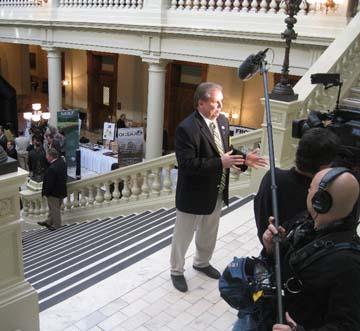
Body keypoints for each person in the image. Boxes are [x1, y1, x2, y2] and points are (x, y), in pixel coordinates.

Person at [170, 82, 267, 292]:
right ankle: (176, 270)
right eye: (216, 103)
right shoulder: (186, 129)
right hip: (192, 195)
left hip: (217, 190)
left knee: (209, 231)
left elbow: (225, 150)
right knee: (183, 236)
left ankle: (202, 262)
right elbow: (187, 166)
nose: (220, 107)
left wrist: (244, 159)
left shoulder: (222, 121)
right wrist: (219, 163)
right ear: (201, 103)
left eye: (221, 102)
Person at [262, 168, 360, 331]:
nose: (308, 190)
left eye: (311, 187)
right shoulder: (305, 222)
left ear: (320, 202)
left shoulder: (350, 264)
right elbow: (294, 266)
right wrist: (272, 248)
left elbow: (348, 325)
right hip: (275, 312)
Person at [254, 128, 339, 245]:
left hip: (269, 247)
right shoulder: (323, 196)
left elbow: (261, 219)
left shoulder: (272, 177)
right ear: (324, 167)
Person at [38, 148, 67, 230]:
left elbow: (50, 184)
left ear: (51, 156)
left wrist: (45, 192)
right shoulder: (62, 163)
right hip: (61, 190)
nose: (46, 157)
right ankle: (48, 221)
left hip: (53, 193)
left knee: (55, 209)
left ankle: (57, 225)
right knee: (53, 208)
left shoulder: (52, 168)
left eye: (47, 155)